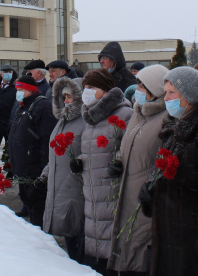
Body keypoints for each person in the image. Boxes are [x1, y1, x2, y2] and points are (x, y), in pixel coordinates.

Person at [138, 66, 198, 276]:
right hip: (170, 229)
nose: (167, 97)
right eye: (166, 91)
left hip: (190, 234)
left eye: (172, 93)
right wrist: (151, 191)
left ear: (189, 96)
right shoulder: (174, 127)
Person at [107, 64, 169, 275]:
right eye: (138, 85)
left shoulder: (166, 119)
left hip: (145, 199)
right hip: (126, 192)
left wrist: (153, 183)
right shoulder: (137, 112)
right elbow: (128, 144)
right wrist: (118, 160)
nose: (138, 90)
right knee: (127, 244)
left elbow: (165, 158)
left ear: (155, 89)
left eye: (143, 86)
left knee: (141, 253)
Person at [75, 69, 133, 275]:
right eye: (85, 88)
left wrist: (118, 162)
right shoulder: (91, 115)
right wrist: (80, 161)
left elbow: (129, 148)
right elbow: (95, 150)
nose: (86, 92)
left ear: (106, 91)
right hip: (92, 186)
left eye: (92, 88)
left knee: (110, 234)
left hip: (111, 187)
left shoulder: (124, 113)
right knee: (95, 230)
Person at [42, 76, 86, 261]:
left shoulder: (85, 121)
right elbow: (55, 154)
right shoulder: (62, 121)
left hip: (74, 187)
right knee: (69, 237)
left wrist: (81, 162)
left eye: (70, 97)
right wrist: (44, 175)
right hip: (60, 186)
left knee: (77, 236)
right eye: (64, 97)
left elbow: (92, 152)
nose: (66, 101)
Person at [8, 74, 58, 228]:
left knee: (38, 208)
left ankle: (42, 240)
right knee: (29, 202)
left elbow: (46, 140)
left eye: (22, 89)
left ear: (30, 90)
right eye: (18, 89)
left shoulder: (42, 106)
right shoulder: (22, 106)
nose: (19, 92)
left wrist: (43, 170)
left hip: (35, 170)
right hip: (24, 169)